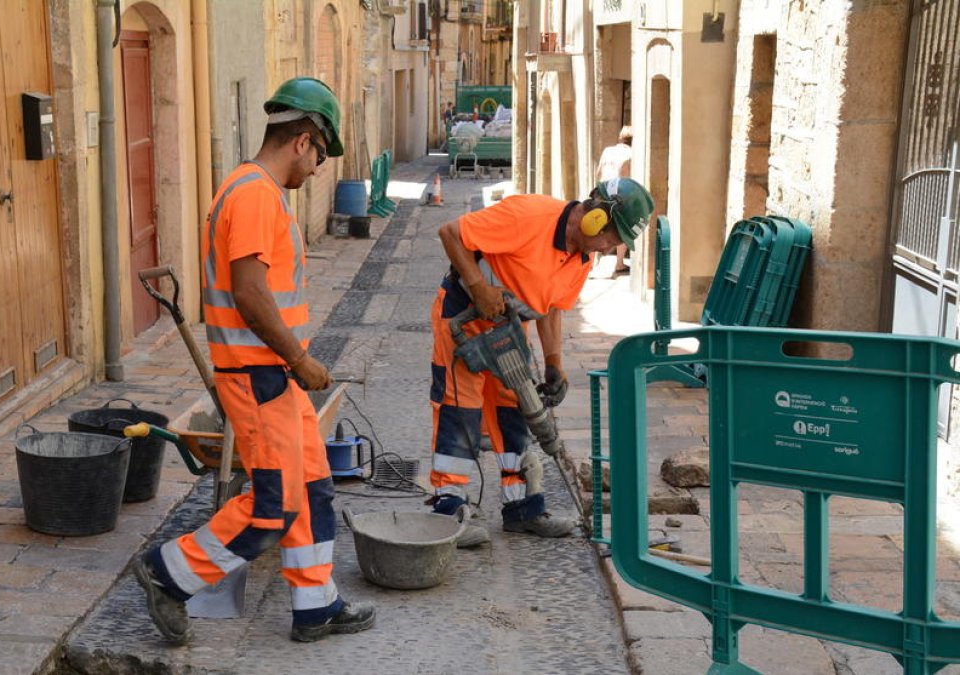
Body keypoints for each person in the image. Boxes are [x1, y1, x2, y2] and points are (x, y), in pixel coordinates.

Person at [132, 77, 375, 645]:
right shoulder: (254, 195)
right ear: (303, 140)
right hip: (259, 375)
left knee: (311, 487)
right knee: (272, 507)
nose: (316, 169)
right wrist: (299, 358)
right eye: (320, 156)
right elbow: (249, 291)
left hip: (275, 375)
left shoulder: (256, 191)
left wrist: (294, 364)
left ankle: (316, 605)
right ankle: (169, 573)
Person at [428, 178, 655, 540]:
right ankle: (448, 512)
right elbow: (450, 233)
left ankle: (522, 508)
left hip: (508, 330)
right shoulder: (530, 215)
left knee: (515, 411)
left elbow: (551, 309)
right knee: (460, 409)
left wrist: (554, 361)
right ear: (596, 217)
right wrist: (479, 288)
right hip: (463, 316)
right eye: (613, 238)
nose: (611, 248)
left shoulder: (582, 258)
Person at [595, 126, 634, 276]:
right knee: (623, 228)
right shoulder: (631, 153)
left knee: (598, 227)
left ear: (620, 138)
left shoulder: (607, 151)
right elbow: (626, 176)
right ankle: (619, 263)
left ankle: (591, 263)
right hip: (618, 194)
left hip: (602, 191)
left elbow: (598, 172)